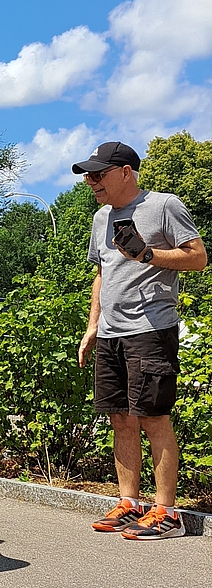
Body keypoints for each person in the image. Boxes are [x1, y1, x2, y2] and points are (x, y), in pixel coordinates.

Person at [74, 142, 207, 540]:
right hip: (112, 332)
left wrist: (148, 255)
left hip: (151, 329)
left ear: (126, 172)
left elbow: (198, 257)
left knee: (153, 417)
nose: (90, 181)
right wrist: (92, 325)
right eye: (88, 175)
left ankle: (167, 513)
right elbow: (102, 274)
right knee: (121, 418)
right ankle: (129, 503)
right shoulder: (102, 217)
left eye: (98, 174)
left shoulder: (164, 206)